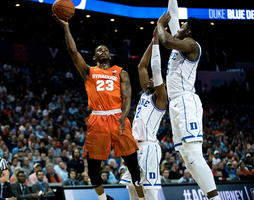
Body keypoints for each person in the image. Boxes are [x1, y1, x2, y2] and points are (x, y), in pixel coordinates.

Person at [53, 13, 145, 200]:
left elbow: (127, 97)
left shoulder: (121, 72)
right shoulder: (88, 71)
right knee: (93, 169)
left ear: (109, 55)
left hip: (118, 117)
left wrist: (123, 115)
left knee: (133, 165)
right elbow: (73, 52)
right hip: (97, 119)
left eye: (105, 49)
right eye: (99, 50)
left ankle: (142, 198)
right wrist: (66, 27)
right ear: (94, 57)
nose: (102, 51)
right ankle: (103, 199)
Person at [157, 0, 220, 199]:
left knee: (193, 154)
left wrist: (159, 25)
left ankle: (216, 197)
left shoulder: (191, 45)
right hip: (176, 103)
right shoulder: (182, 44)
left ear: (189, 32)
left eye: (184, 26)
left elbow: (165, 41)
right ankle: (210, 196)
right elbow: (174, 15)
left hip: (186, 101)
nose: (180, 26)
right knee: (187, 157)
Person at [120, 25, 167, 200]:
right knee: (132, 190)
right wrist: (153, 40)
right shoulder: (145, 93)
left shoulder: (160, 99)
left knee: (149, 192)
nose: (151, 79)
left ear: (161, 83)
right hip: (134, 147)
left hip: (148, 148)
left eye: (155, 78)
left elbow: (154, 68)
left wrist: (158, 45)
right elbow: (142, 66)